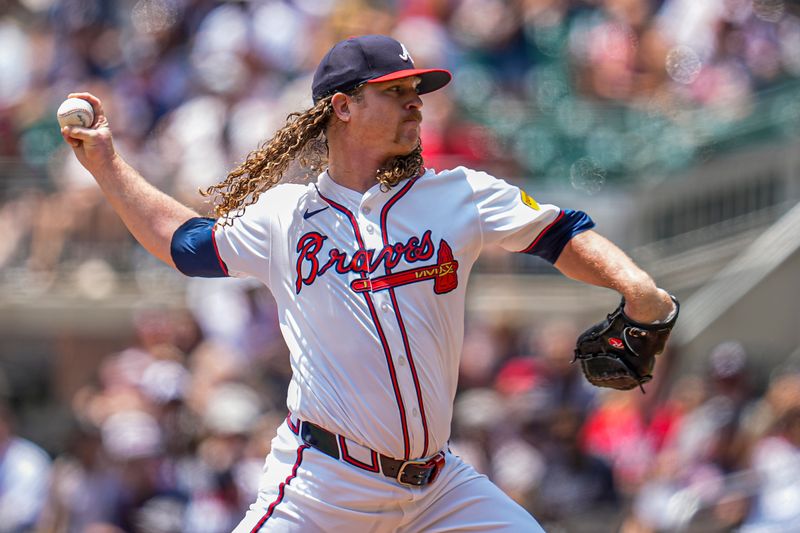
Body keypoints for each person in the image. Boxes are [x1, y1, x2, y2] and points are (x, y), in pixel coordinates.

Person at [61, 34, 676, 533]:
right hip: (324, 484)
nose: (415, 101)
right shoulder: (286, 216)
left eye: (417, 90)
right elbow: (185, 244)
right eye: (395, 90)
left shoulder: (456, 194)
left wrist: (639, 289)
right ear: (343, 106)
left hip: (437, 487)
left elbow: (560, 232)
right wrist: (107, 164)